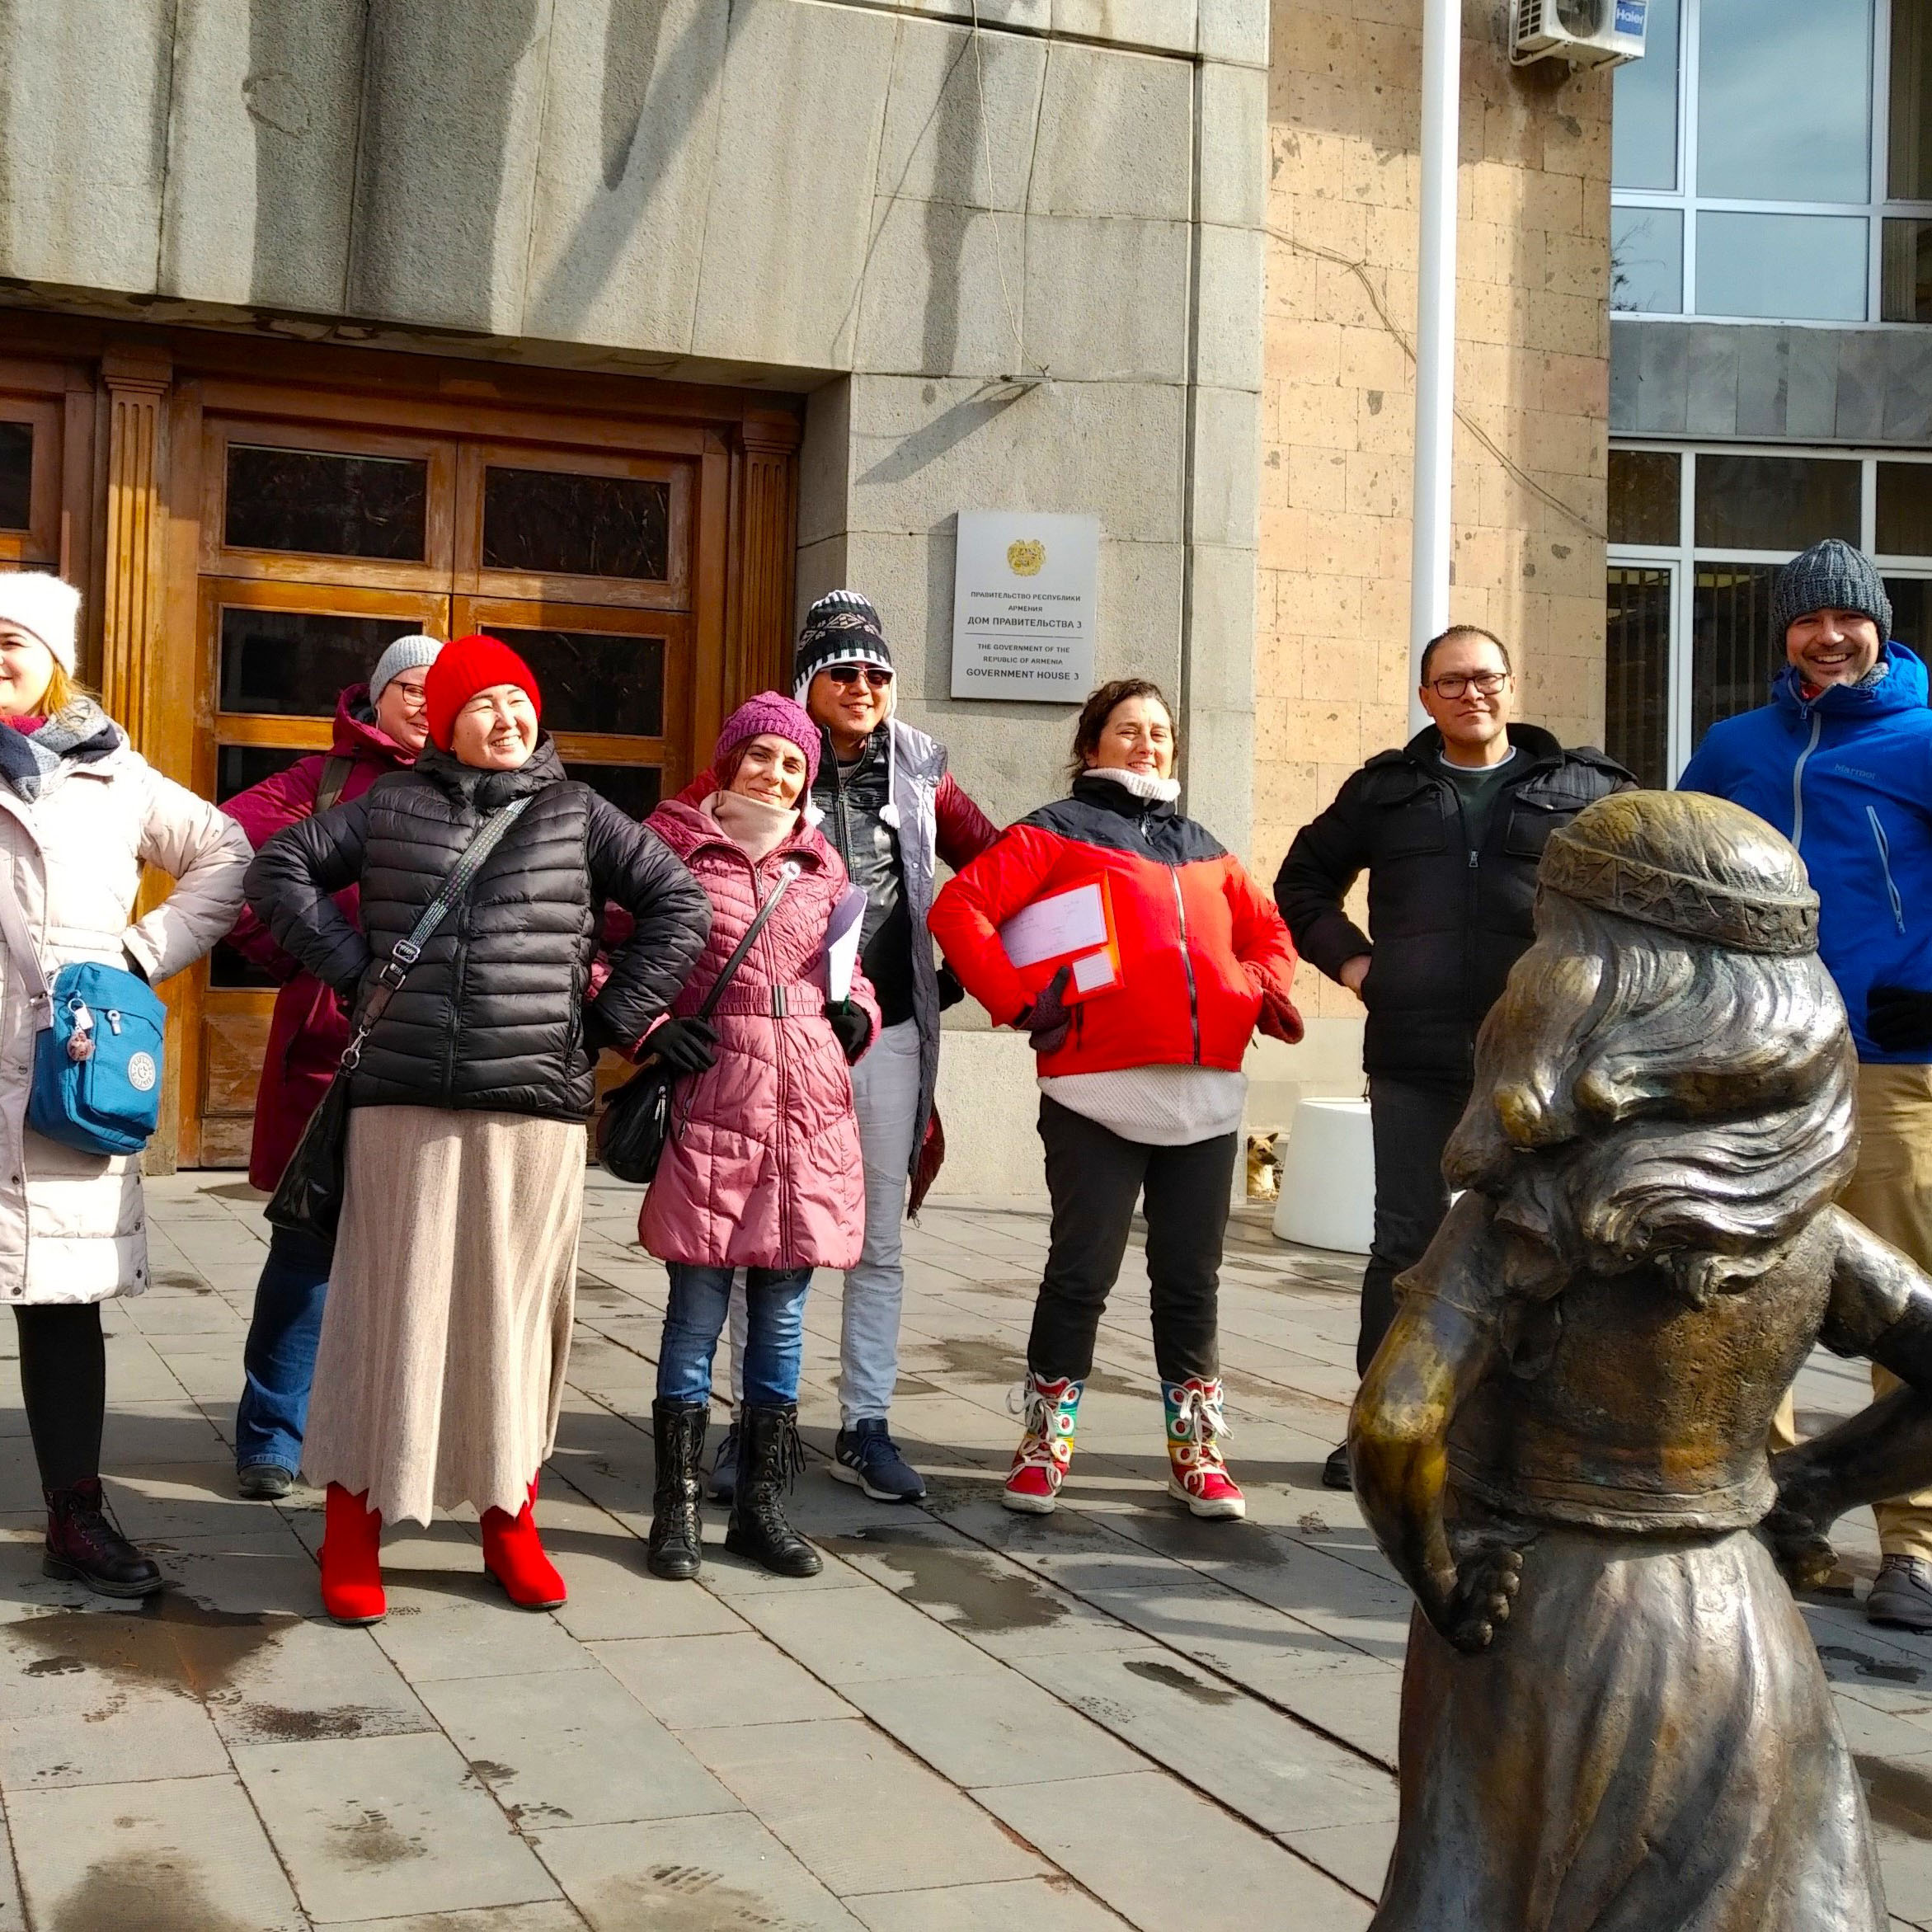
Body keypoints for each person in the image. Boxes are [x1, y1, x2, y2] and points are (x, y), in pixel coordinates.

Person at [1352, 790, 1918, 1931]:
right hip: (1735, 1615)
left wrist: (1441, 1569)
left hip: (1539, 1616)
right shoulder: (1800, 1226)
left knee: (1495, 1882)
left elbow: (1393, 1424)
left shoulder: (1521, 1214)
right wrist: (1817, 1484)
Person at [244, 633, 711, 1624]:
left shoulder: (580, 813)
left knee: (513, 1321)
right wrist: (348, 966)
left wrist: (612, 1020)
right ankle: (353, 1523)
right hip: (401, 1105)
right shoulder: (391, 805)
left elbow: (680, 902)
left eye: (519, 702)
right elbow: (278, 867)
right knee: (383, 1313)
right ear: (446, 722)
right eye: (483, 704)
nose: (507, 719)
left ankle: (510, 1519)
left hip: (532, 1113)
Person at [929, 679, 1300, 1520]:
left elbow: (1270, 933)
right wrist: (1022, 1002)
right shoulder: (1053, 831)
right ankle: (1043, 1442)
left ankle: (1198, 1451)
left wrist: (1256, 989)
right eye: (1128, 731)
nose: (1147, 745)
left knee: (1190, 1282)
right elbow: (960, 910)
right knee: (1080, 1274)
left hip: (1205, 1100)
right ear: (1091, 745)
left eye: (1160, 733)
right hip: (1095, 1093)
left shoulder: (1205, 847)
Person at [1274, 625, 1632, 1489]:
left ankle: (1520, 1432)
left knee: (1543, 1241)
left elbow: (1641, 886)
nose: (1473, 693)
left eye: (1487, 678)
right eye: (1453, 682)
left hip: (1542, 1059)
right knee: (1404, 1241)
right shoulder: (1388, 792)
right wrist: (1356, 964)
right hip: (1415, 1050)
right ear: (1427, 696)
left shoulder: (1583, 789)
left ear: (1511, 687)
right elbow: (1302, 881)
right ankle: (1379, 1429)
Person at [680, 590, 996, 1506]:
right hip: (776, 1040)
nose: (862, 686)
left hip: (888, 1031)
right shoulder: (772, 768)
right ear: (809, 682)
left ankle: (867, 1425)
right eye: (842, 671)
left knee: (879, 1242)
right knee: (761, 1238)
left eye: (877, 674)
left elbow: (1003, 863)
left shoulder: (923, 774)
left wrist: (962, 970)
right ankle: (754, 1423)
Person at [1678, 538, 1932, 1630]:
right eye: (1804, 620)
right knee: (1747, 1286)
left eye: (1846, 618)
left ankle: (1911, 1541)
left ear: (1877, 623)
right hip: (1756, 1061)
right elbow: (1676, 869)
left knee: (1907, 1306)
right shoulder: (1735, 744)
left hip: (1886, 1061)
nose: (1826, 636)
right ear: (1779, 631)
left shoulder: (1923, 738)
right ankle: (1759, 1513)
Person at [0, 572, 250, 1597]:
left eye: (9, 640)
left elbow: (226, 855)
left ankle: (75, 1515)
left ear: (54, 659)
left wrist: (137, 958)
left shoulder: (118, 774)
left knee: (61, 1301)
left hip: (67, 1069)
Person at [639, 693, 878, 1582]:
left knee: (781, 1318)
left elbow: (848, 970)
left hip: (809, 1103)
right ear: (728, 758)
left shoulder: (821, 866)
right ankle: (679, 1509)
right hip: (718, 1094)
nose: (775, 774)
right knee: (696, 1310)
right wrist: (653, 1027)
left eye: (792, 763)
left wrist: (863, 1014)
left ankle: (764, 1507)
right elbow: (610, 952)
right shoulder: (671, 847)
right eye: (761, 756)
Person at [222, 633, 442, 1500]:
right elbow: (234, 868)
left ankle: (385, 1428)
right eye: (411, 688)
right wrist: (304, 965)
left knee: (420, 1254)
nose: (427, 704)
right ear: (377, 696)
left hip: (436, 1046)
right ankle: (272, 1433)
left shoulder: (483, 782)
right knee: (307, 1252)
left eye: (442, 691)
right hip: (332, 1046)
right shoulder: (316, 784)